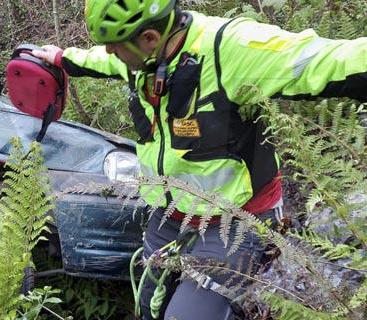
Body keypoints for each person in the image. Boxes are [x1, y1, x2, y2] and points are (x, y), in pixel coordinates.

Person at [30, 0, 367, 319]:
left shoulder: (231, 48)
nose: (110, 52)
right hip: (171, 214)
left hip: (236, 221)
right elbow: (101, 61)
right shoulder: (139, 56)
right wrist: (61, 58)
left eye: (114, 44)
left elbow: (324, 59)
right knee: (150, 306)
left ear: (149, 38)